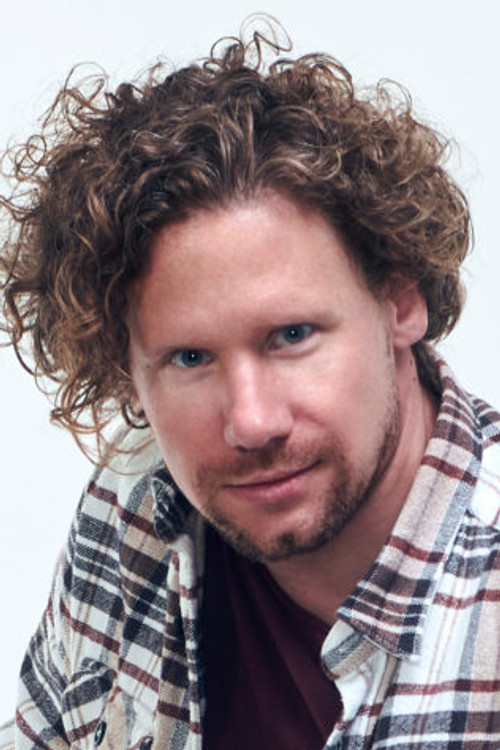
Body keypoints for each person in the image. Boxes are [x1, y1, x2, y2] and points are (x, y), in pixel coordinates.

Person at [1, 23, 499, 750]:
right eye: (190, 358)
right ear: (127, 369)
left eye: (292, 335)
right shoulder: (133, 503)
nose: (252, 421)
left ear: (400, 301)